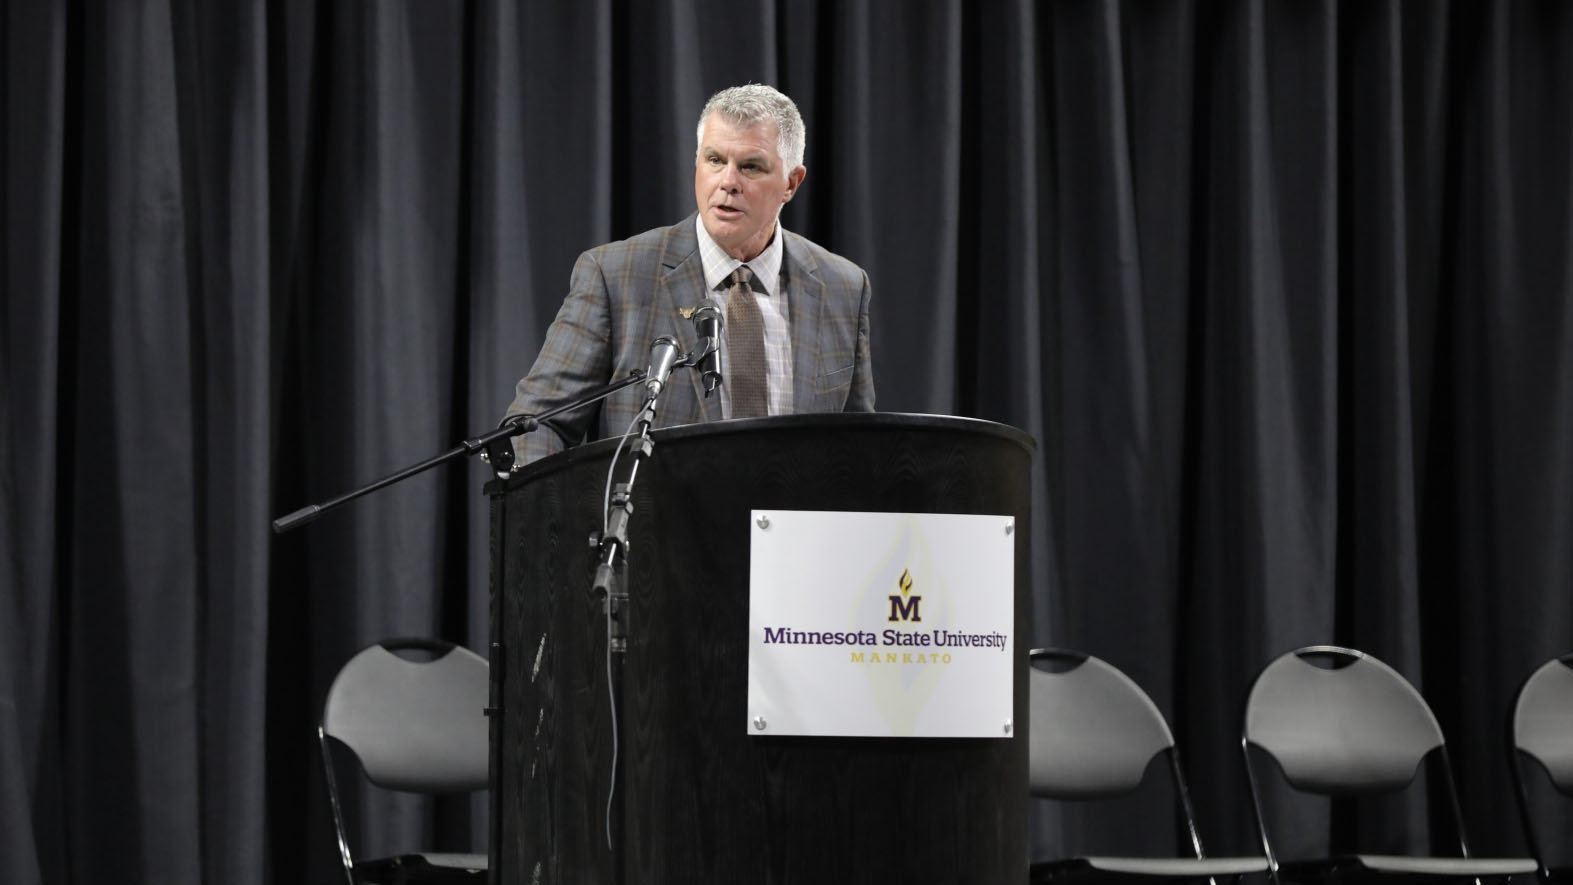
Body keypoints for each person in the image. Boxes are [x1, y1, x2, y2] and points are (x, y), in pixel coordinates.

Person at [501, 83, 874, 467]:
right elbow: (534, 428)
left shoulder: (843, 287)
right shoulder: (617, 276)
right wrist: (577, 522)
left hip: (794, 525)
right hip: (650, 524)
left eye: (750, 166)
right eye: (714, 160)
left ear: (791, 183)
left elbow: (861, 448)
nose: (728, 182)